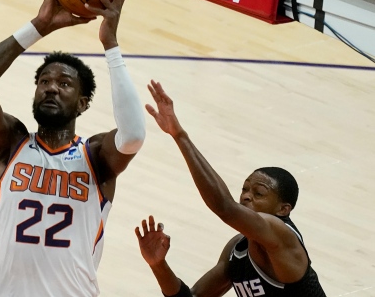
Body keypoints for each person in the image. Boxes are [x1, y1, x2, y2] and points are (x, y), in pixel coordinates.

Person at [0, 0, 145, 297]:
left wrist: (111, 45)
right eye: (44, 82)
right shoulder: (9, 143)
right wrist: (40, 25)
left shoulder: (95, 156)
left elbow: (134, 135)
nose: (52, 87)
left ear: (82, 104)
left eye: (64, 84)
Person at [135, 80, 326, 297]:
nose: (246, 196)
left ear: (283, 210)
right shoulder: (237, 250)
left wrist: (180, 136)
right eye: (244, 190)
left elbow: (225, 207)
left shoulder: (281, 235)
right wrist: (158, 265)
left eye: (259, 193)